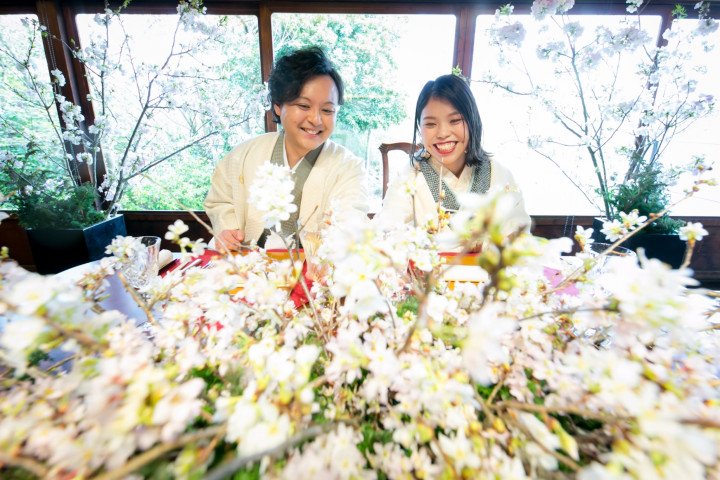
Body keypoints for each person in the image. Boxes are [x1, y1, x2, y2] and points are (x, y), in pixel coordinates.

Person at [205, 47, 369, 251]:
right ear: (277, 106)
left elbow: (352, 219)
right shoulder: (243, 155)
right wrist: (230, 232)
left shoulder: (349, 166)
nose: (316, 120)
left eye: (327, 110)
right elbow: (221, 200)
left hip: (313, 276)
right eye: (303, 106)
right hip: (251, 271)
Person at [374, 74, 530, 248]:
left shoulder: (500, 174)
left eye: (455, 120)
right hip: (431, 274)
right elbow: (386, 226)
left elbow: (519, 238)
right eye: (431, 124)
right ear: (420, 127)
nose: (442, 133)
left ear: (472, 121)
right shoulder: (413, 172)